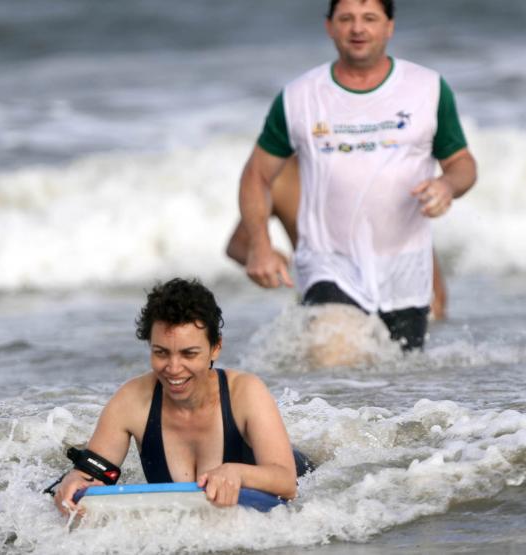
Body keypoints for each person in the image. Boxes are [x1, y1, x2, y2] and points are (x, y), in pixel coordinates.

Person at [237, 0, 476, 350]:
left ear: (389, 26)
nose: (358, 29)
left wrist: (447, 185)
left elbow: (463, 164)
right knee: (335, 360)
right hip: (329, 264)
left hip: (405, 271)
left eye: (369, 18)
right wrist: (260, 246)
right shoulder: (299, 96)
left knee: (401, 384)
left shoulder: (427, 88)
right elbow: (256, 175)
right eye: (346, 19)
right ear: (329, 27)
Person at [51, 278, 305, 515]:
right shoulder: (131, 400)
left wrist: (237, 473)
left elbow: (287, 483)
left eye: (189, 354)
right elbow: (95, 472)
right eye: (161, 353)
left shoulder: (246, 393)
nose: (173, 368)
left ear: (215, 347)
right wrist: (74, 480)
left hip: (304, 475)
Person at [225, 156, 450, 320]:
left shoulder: (377, 165)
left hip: (396, 290)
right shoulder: (281, 179)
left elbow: (412, 234)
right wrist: (265, 254)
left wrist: (436, 304)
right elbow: (237, 244)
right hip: (327, 298)